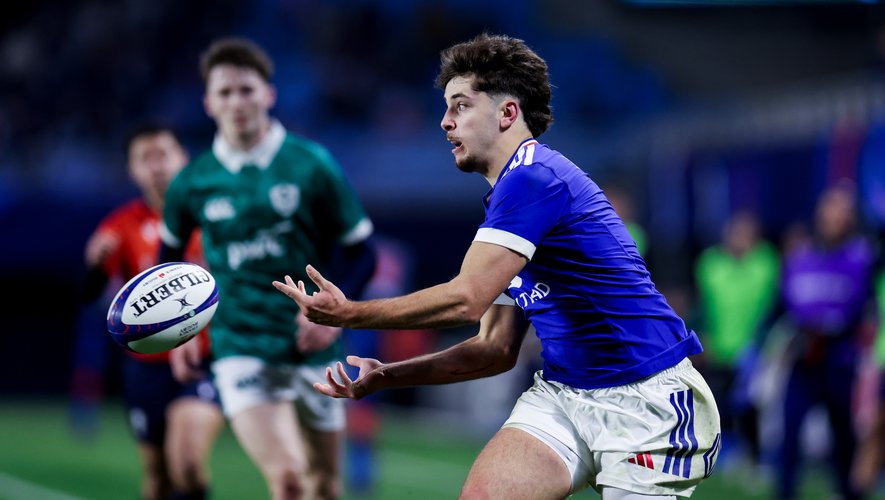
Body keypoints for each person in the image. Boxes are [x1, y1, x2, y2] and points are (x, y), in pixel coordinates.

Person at [275, 33, 721, 500]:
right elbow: (494, 348)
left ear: (508, 113)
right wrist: (388, 375)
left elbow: (467, 300)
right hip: (565, 395)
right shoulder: (510, 201)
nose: (445, 122)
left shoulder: (535, 179)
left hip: (647, 401)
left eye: (461, 106)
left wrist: (349, 314)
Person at [159, 37, 376, 500]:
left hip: (313, 345)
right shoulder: (192, 181)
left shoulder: (311, 164)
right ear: (208, 103)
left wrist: (332, 316)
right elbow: (168, 259)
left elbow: (363, 253)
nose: (237, 102)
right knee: (290, 481)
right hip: (240, 343)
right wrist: (179, 332)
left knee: (325, 486)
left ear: (269, 94)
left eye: (247, 89)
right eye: (225, 92)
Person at [79, 124, 224, 500]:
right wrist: (95, 267)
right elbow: (90, 295)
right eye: (145, 158)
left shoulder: (217, 215)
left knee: (187, 465)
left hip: (205, 360)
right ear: (132, 169)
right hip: (146, 367)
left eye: (163, 154)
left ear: (183, 158)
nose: (157, 165)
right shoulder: (121, 225)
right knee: (158, 479)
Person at [775, 181, 877, 500]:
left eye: (841, 212)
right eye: (829, 210)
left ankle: (849, 492)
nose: (833, 218)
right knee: (789, 430)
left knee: (843, 435)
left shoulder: (862, 257)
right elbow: (782, 305)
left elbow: (864, 308)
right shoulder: (800, 257)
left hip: (840, 358)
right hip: (803, 356)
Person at [694, 210, 780, 470]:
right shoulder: (710, 263)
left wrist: (762, 343)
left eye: (746, 234)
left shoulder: (767, 263)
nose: (740, 239)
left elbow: (773, 307)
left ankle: (755, 456)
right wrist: (702, 335)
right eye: (736, 233)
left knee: (752, 406)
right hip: (718, 349)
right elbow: (701, 306)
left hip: (755, 351)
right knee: (717, 404)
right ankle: (721, 453)